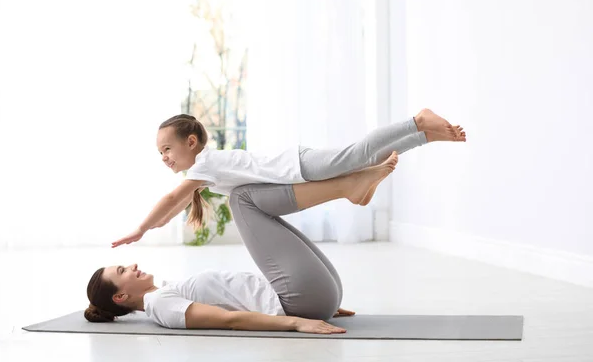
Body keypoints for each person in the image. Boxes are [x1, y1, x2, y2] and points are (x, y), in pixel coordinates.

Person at [86, 152, 399, 333]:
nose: (133, 265)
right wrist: (297, 323)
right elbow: (230, 319)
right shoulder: (161, 306)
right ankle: (347, 186)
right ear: (121, 296)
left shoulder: (163, 292)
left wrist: (322, 300)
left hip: (310, 298)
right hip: (300, 303)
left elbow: (238, 299)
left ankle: (349, 186)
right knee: (242, 198)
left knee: (251, 203)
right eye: (123, 270)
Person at [111, 109, 466, 248]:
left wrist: (142, 228)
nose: (164, 158)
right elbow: (179, 202)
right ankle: (425, 136)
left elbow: (173, 200)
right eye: (160, 153)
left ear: (191, 142)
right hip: (296, 168)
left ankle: (417, 121)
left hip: (296, 166)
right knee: (366, 159)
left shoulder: (204, 164)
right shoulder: (205, 169)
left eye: (167, 149)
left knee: (358, 155)